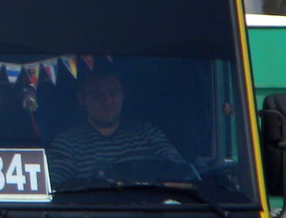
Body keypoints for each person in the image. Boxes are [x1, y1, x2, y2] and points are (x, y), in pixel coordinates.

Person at [47, 65, 184, 185]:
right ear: (82, 99)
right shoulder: (67, 144)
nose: (107, 101)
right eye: (97, 94)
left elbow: (180, 172)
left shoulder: (148, 135)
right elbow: (56, 186)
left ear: (122, 95)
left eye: (113, 93)